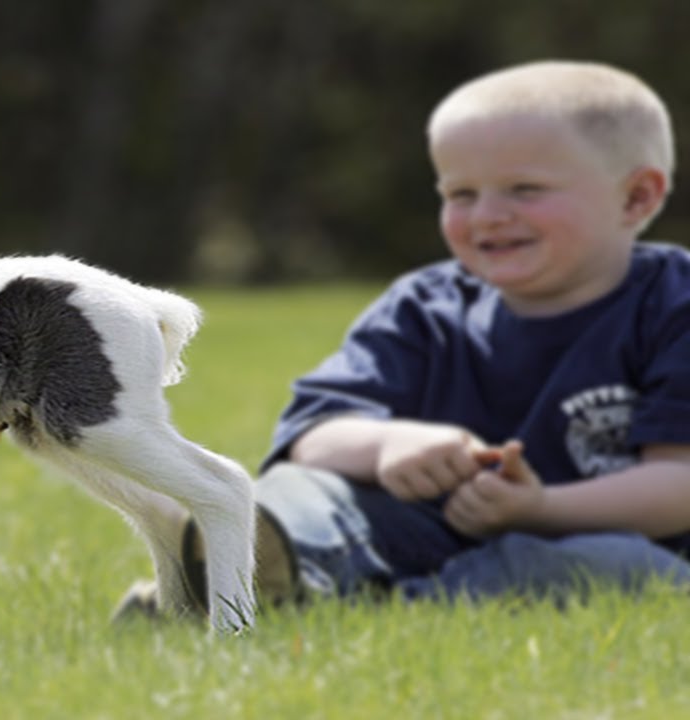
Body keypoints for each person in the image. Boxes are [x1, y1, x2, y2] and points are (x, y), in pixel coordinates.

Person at [116, 60, 690, 619]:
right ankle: (242, 563)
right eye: (461, 194)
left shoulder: (674, 307)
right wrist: (389, 444)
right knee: (303, 490)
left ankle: (340, 603)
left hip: (604, 537)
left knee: (622, 567)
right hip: (420, 527)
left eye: (524, 189)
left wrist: (540, 508)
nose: (487, 215)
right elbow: (316, 434)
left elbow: (678, 486)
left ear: (637, 197)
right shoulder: (425, 306)